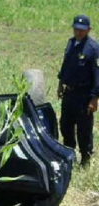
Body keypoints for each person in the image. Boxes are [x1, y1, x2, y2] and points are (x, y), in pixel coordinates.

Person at [57, 15, 99, 166]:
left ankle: (85, 159)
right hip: (69, 93)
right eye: (76, 29)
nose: (78, 32)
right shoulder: (70, 43)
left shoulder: (93, 49)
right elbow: (65, 65)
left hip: (84, 96)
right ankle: (69, 155)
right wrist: (60, 83)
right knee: (65, 125)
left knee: (83, 129)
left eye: (82, 30)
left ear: (88, 30)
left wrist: (94, 98)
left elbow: (97, 75)